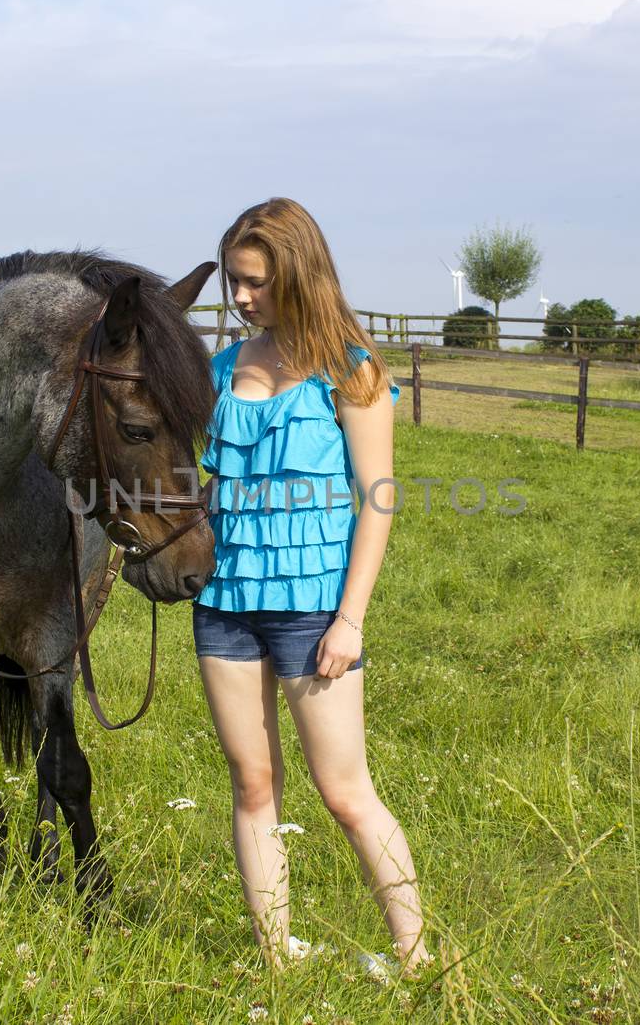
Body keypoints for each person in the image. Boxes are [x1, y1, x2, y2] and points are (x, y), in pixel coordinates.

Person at [191, 197, 429, 979]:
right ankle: (275, 958)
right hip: (224, 601)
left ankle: (416, 954)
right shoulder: (226, 368)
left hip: (312, 606)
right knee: (253, 783)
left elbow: (379, 499)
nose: (240, 297)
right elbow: (209, 485)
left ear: (296, 274)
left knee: (343, 791)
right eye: (233, 280)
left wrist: (350, 619)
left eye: (254, 281)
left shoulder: (351, 370)